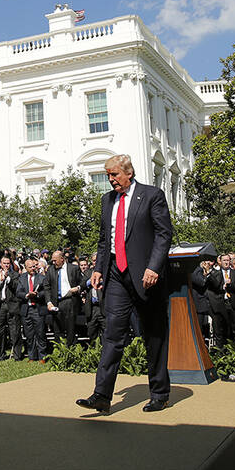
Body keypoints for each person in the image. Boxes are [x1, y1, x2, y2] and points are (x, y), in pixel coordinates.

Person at [77, 154, 173, 414]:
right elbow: (103, 240)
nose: (111, 180)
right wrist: (98, 269)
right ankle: (102, 395)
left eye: (115, 175)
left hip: (146, 276)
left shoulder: (152, 195)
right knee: (113, 333)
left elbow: (164, 234)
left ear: (128, 172)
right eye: (108, 176)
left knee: (153, 335)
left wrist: (154, 266)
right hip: (116, 275)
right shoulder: (106, 200)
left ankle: (160, 394)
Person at [44, 250, 85, 346]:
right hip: (56, 303)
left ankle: (71, 351)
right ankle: (60, 351)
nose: (53, 263)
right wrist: (49, 302)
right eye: (52, 261)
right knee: (58, 330)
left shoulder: (73, 268)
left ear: (62, 259)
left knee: (71, 329)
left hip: (70, 301)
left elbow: (82, 282)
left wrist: (78, 288)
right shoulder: (51, 270)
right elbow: (47, 287)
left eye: (55, 260)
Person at [0, 255, 21, 360]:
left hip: (12, 305)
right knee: (0, 332)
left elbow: (16, 286)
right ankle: (1, 354)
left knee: (15, 330)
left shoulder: (15, 275)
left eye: (8, 263)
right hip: (0, 306)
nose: (6, 265)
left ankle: (17, 355)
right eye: (4, 263)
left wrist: (8, 279)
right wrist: (0, 280)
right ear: (0, 264)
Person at [16, 258, 47, 362]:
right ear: (26, 268)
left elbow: (46, 292)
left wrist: (37, 295)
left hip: (37, 309)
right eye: (30, 267)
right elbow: (18, 292)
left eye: (34, 266)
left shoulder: (42, 278)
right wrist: (26, 295)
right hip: (27, 309)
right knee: (29, 334)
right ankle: (32, 356)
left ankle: (42, 356)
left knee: (40, 333)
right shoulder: (22, 278)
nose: (33, 268)